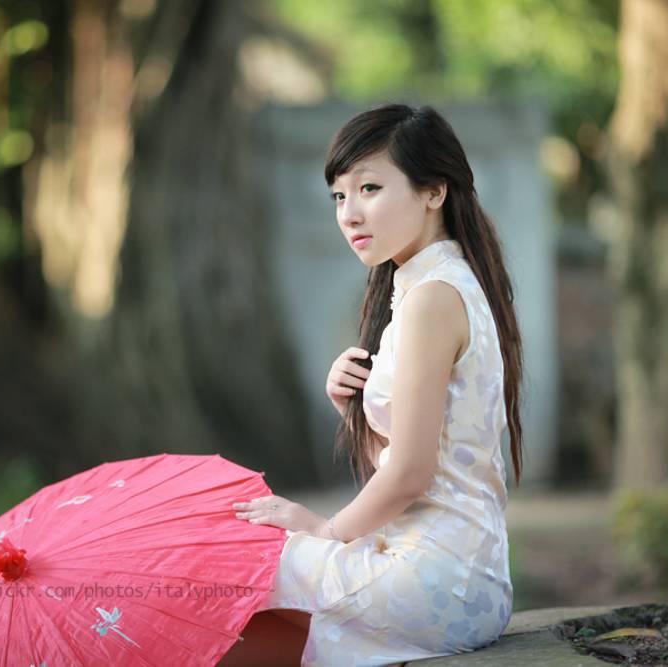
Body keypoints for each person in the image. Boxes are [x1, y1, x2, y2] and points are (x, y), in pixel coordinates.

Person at [220, 103, 524, 666]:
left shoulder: (432, 298)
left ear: (434, 191)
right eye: (339, 196)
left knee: (230, 567)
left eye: (369, 188)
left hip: (436, 577)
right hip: (457, 577)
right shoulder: (432, 287)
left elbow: (410, 476)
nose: (350, 214)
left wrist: (323, 529)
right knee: (236, 608)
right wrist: (351, 409)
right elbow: (416, 469)